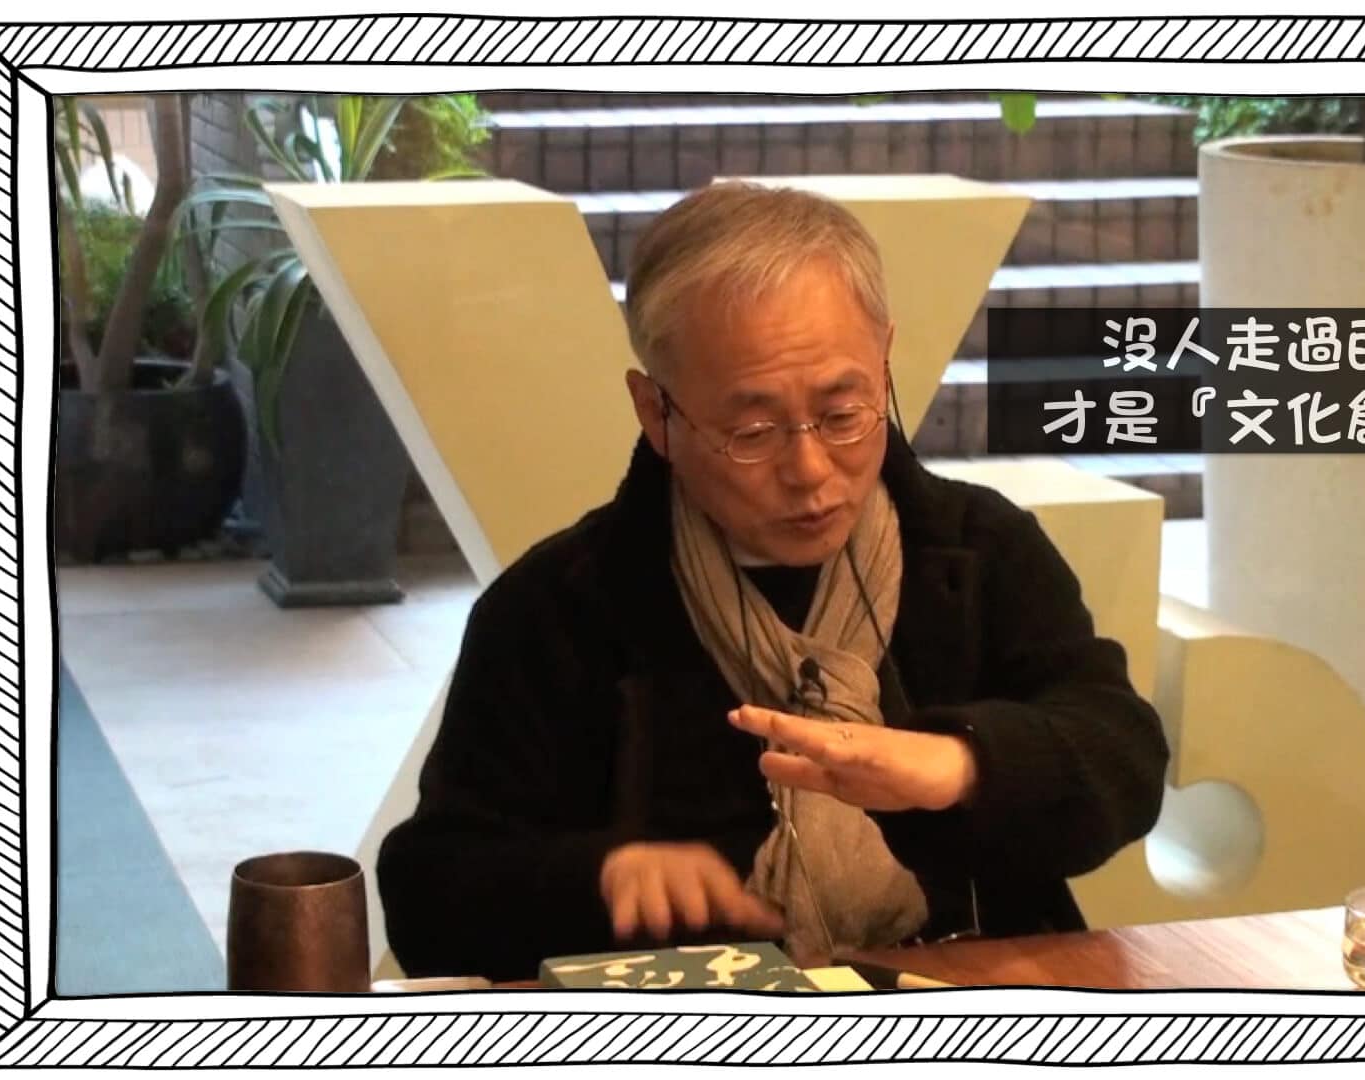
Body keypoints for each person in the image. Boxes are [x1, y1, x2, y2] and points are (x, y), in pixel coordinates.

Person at [377, 180, 1170, 981]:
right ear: (656, 413)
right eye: (752, 432)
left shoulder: (978, 551)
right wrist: (600, 878)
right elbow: (428, 897)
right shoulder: (557, 608)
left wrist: (962, 765)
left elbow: (1125, 759)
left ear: (884, 360)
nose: (810, 470)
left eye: (843, 415)